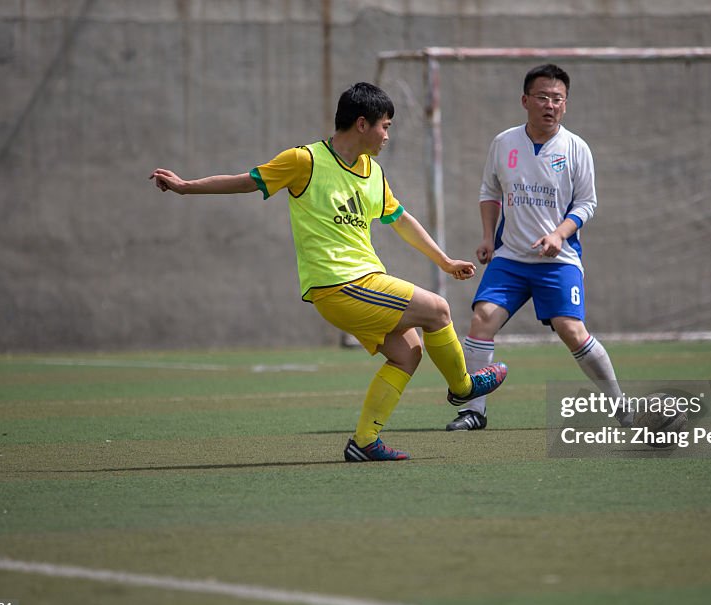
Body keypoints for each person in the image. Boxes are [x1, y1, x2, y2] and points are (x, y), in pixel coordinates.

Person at [150, 82, 507, 461]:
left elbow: (401, 220)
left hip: (362, 283)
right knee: (437, 309)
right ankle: (464, 388)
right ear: (361, 124)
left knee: (408, 353)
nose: (387, 135)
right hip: (339, 284)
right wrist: (186, 187)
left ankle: (364, 443)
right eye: (385, 126)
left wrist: (445, 261)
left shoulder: (373, 171)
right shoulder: (305, 160)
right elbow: (247, 181)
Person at [446, 63, 631, 432]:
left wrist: (559, 235)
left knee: (571, 329)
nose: (550, 105)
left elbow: (586, 204)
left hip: (559, 261)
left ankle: (620, 405)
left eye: (558, 99)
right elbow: (489, 192)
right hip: (511, 258)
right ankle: (473, 411)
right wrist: (487, 237)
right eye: (543, 97)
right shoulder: (504, 143)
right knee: (482, 318)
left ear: (566, 105)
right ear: (525, 100)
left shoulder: (576, 148)